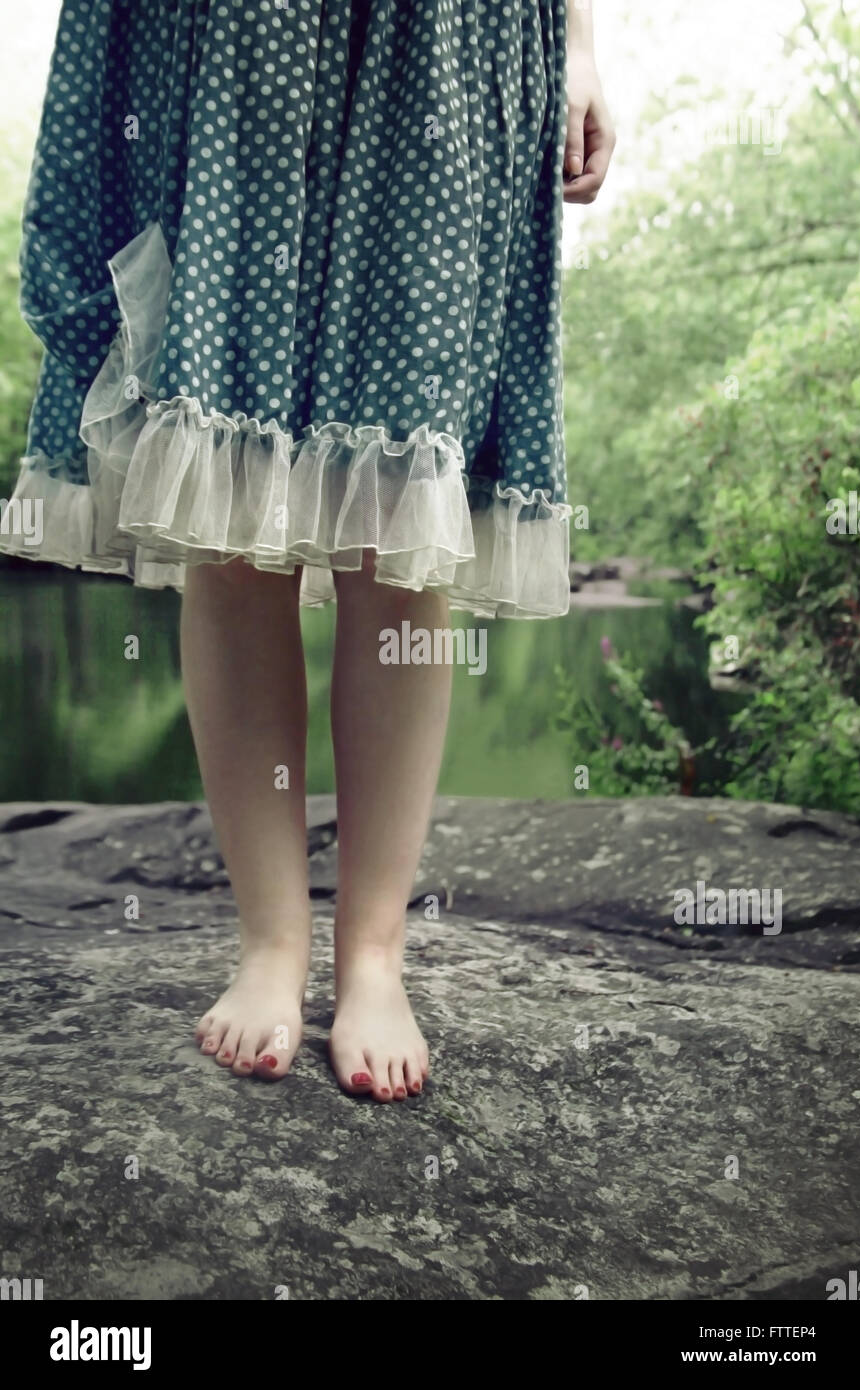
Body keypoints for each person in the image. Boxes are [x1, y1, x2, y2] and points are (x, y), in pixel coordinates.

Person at [0, 0, 615, 1101]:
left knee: (399, 517)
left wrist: (578, 41)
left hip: (447, 38)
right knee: (232, 516)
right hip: (231, 31)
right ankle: (272, 943)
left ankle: (373, 952)